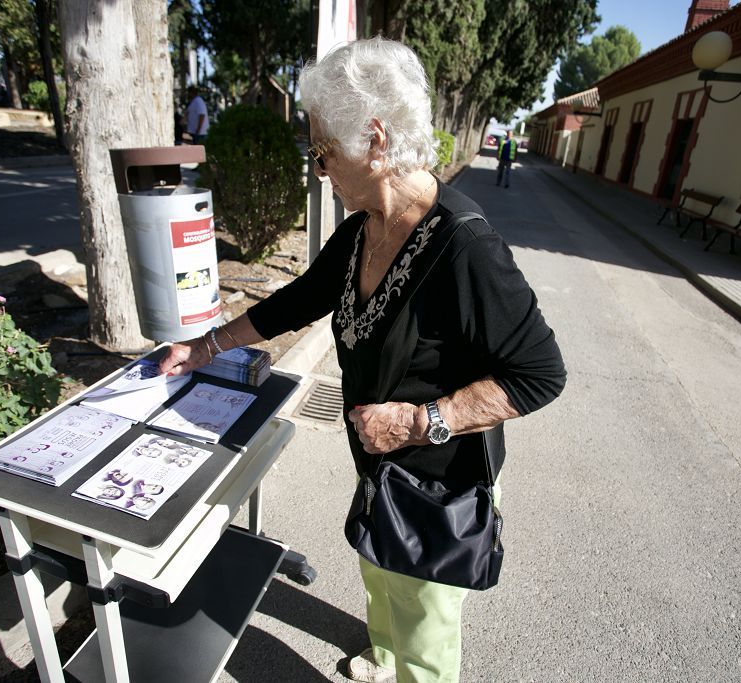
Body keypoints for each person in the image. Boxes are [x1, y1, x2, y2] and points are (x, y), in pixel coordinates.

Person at [159, 37, 565, 683]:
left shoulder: (467, 248)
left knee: (425, 616)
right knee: (380, 574)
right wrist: (204, 346)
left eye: (323, 150)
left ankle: (412, 670)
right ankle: (384, 656)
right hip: (377, 464)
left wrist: (415, 422)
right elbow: (295, 301)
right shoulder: (361, 229)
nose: (319, 168)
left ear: (375, 140)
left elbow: (541, 374)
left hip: (439, 481)